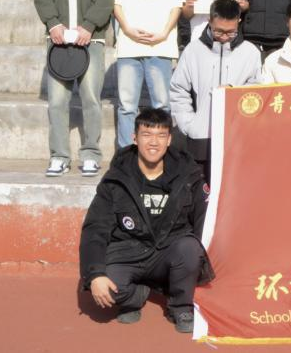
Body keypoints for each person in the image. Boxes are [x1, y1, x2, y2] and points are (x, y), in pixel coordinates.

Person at [79, 108, 212, 334]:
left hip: (169, 250)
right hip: (129, 251)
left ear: (169, 140)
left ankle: (180, 305)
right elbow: (95, 227)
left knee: (190, 248)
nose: (153, 142)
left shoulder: (188, 173)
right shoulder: (116, 178)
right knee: (104, 288)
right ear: (135, 138)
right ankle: (136, 295)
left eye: (161, 135)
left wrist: (201, 266)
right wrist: (95, 274)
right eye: (147, 134)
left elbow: (204, 219)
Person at [34, 0, 114, 177]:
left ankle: (91, 153)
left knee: (91, 97)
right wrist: (53, 23)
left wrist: (89, 25)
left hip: (90, 37)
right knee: (57, 101)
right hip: (58, 37)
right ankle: (59, 155)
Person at [169, 0, 262, 183]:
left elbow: (257, 90)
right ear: (210, 21)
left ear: (239, 22)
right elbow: (179, 89)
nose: (224, 36)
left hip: (236, 137)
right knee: (201, 190)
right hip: (200, 137)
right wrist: (189, 124)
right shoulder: (193, 50)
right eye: (219, 31)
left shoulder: (250, 52)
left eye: (230, 32)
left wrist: (234, 93)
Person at [113, 0, 184, 149]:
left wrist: (164, 33)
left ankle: (160, 153)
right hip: (129, 44)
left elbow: (177, 4)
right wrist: (127, 29)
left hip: (161, 44)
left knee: (162, 105)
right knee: (127, 105)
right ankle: (126, 155)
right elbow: (116, 2)